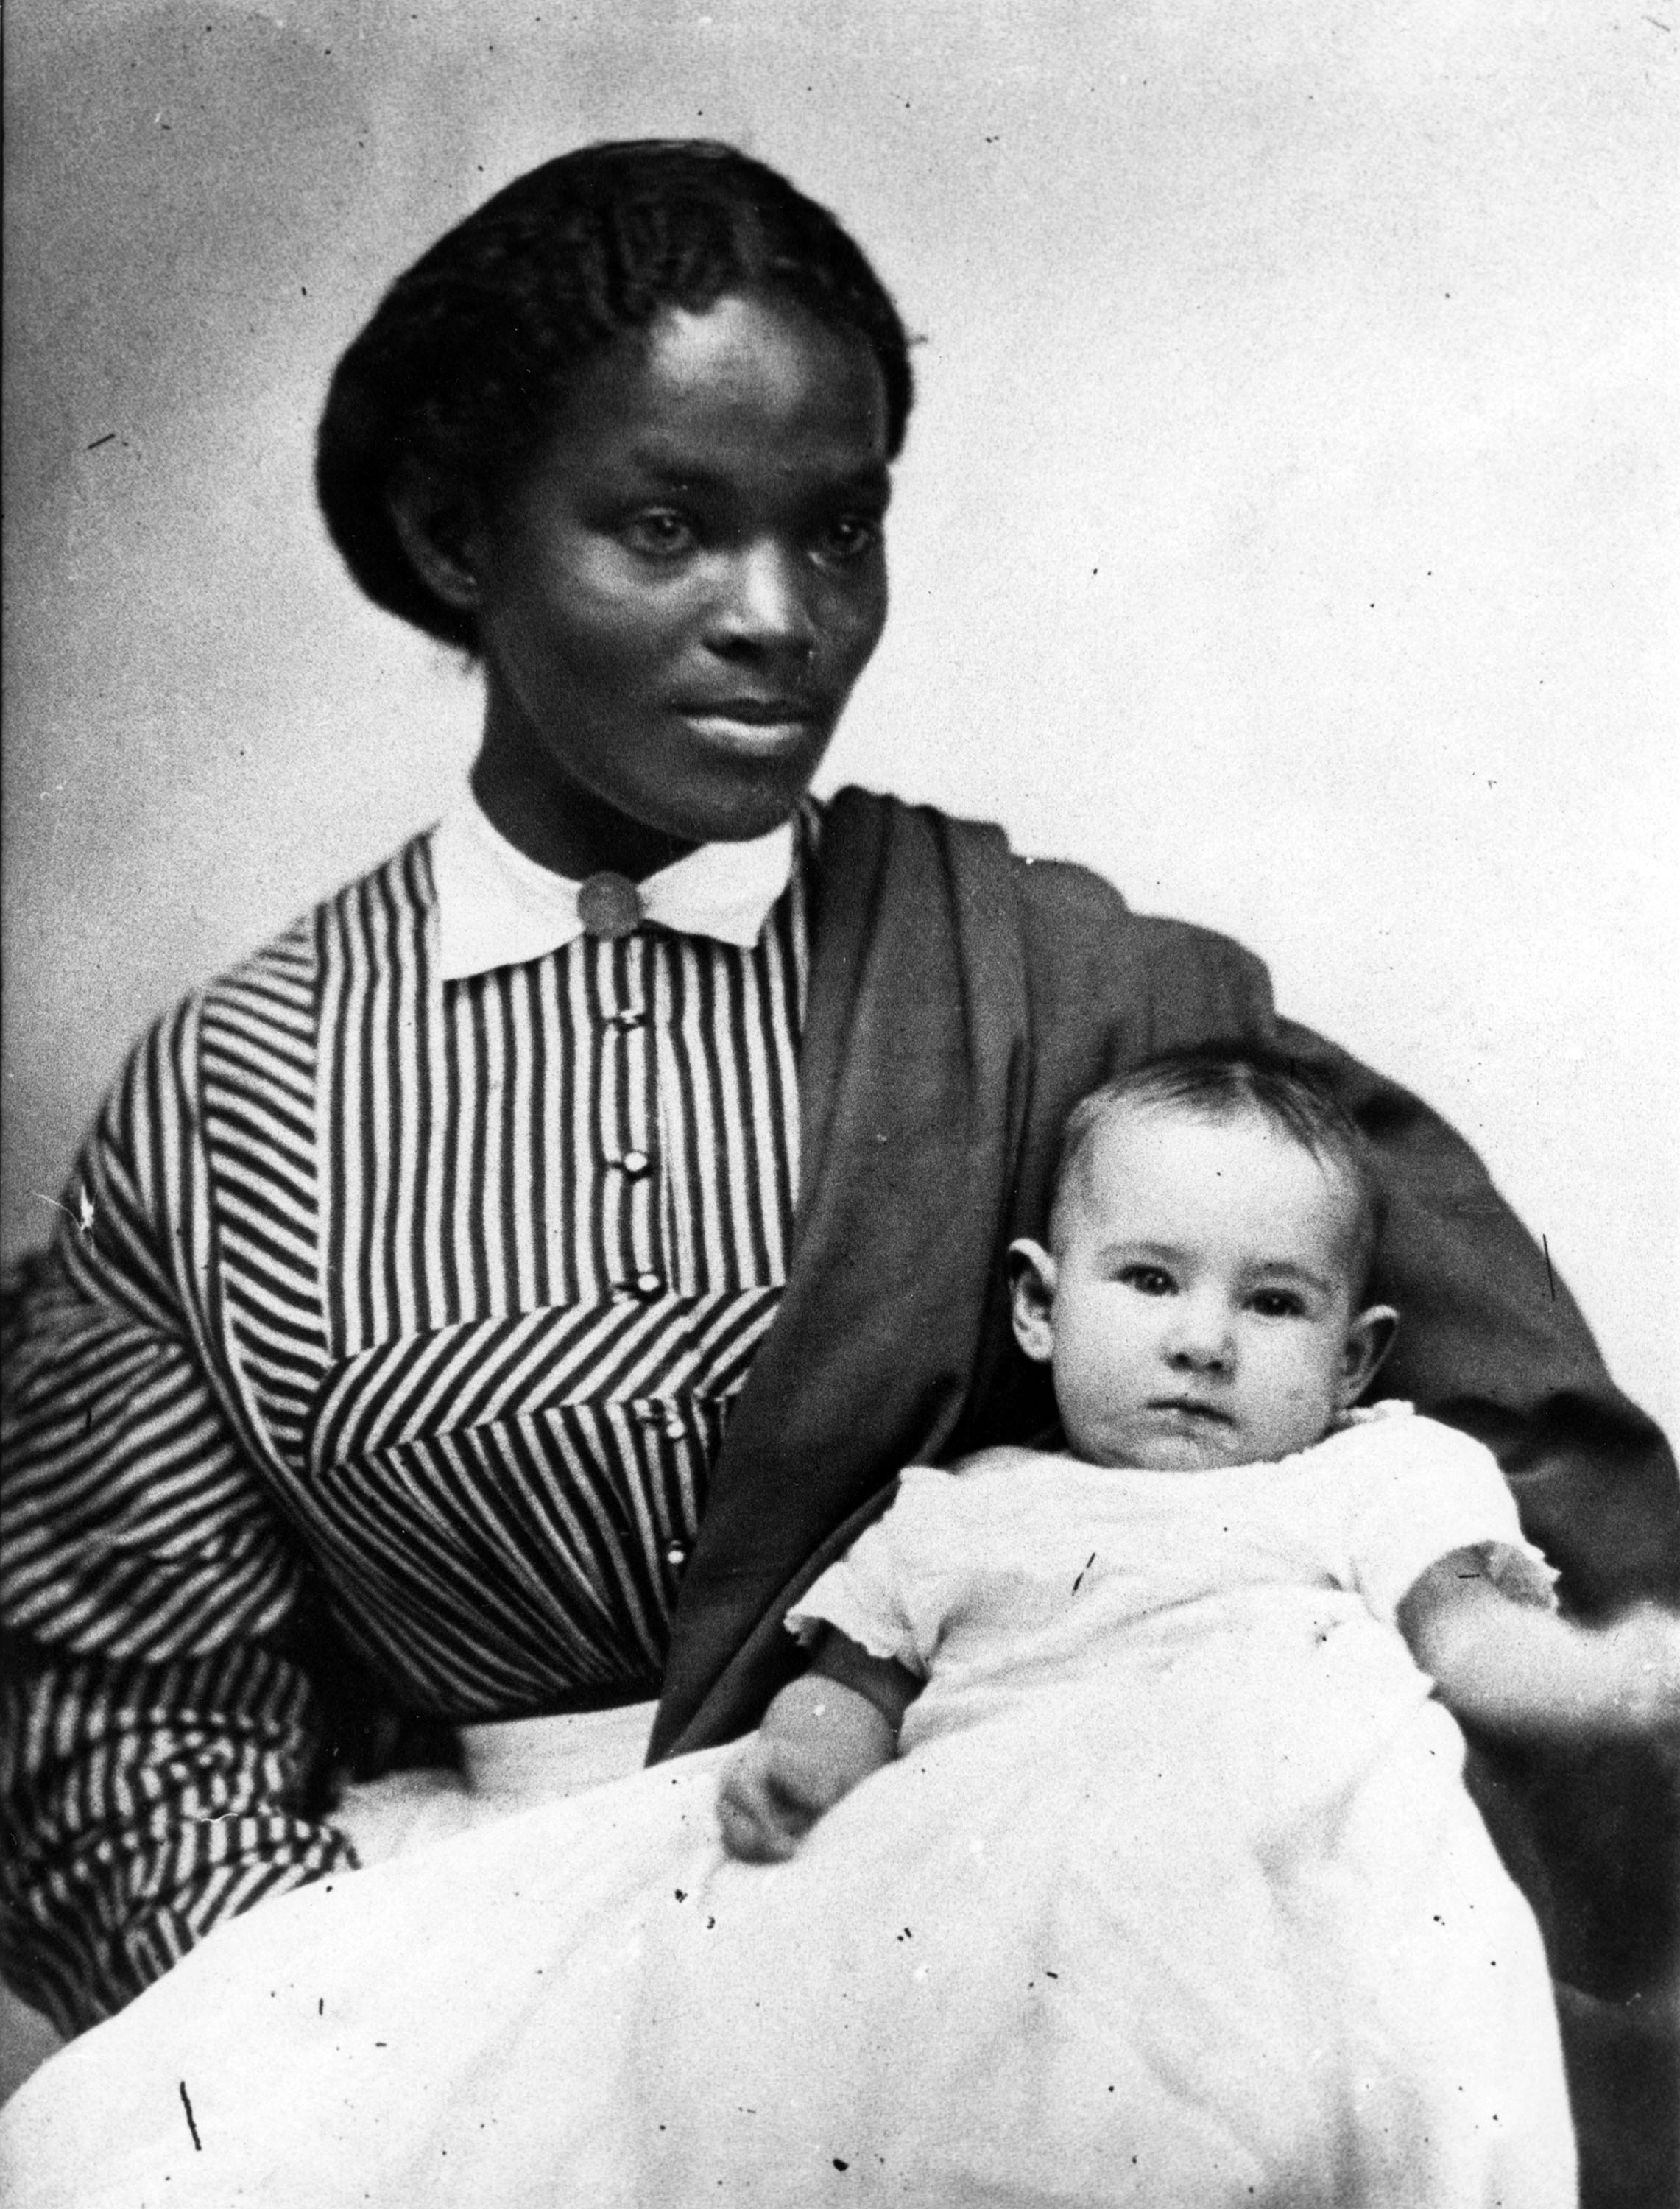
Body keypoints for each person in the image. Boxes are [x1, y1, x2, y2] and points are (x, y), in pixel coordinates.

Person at [0, 135, 1675, 2194]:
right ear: (457, 536)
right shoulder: (234, 1096)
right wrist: (396, 2063)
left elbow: (1503, 1455)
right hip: (434, 2026)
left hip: (994, 2014)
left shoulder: (1063, 991)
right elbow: (124, 1702)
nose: (780, 618)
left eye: (842, 531)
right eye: (665, 529)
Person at [4, 1054, 1672, 2206]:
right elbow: (854, 1678)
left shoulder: (1369, 1475)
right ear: (1036, 1304)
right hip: (974, 1859)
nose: (1204, 1345)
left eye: (1273, 1304)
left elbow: (1465, 1637)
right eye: (1149, 1282)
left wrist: (1603, 1678)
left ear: (1357, 1358)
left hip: (1264, 1870)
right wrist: (804, 1763)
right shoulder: (967, 1506)